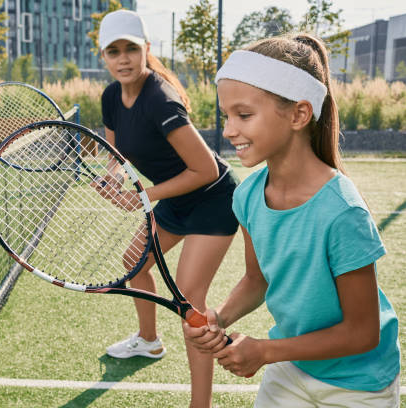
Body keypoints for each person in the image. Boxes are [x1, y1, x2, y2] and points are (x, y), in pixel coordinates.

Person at [183, 33, 401, 407]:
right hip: (292, 369)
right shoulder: (247, 196)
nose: (229, 130)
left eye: (244, 115)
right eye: (226, 117)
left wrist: (266, 351)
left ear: (299, 114)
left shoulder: (342, 211)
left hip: (359, 385)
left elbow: (363, 332)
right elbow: (258, 278)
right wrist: (220, 316)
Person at [94, 10, 240, 408]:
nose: (123, 58)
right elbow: (115, 151)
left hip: (213, 198)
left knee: (190, 296)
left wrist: (144, 195)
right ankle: (149, 341)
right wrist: (112, 176)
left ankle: (200, 404)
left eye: (131, 49)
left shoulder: (160, 99)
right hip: (176, 198)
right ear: (103, 55)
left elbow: (205, 169)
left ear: (146, 50)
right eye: (114, 51)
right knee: (135, 262)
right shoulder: (111, 96)